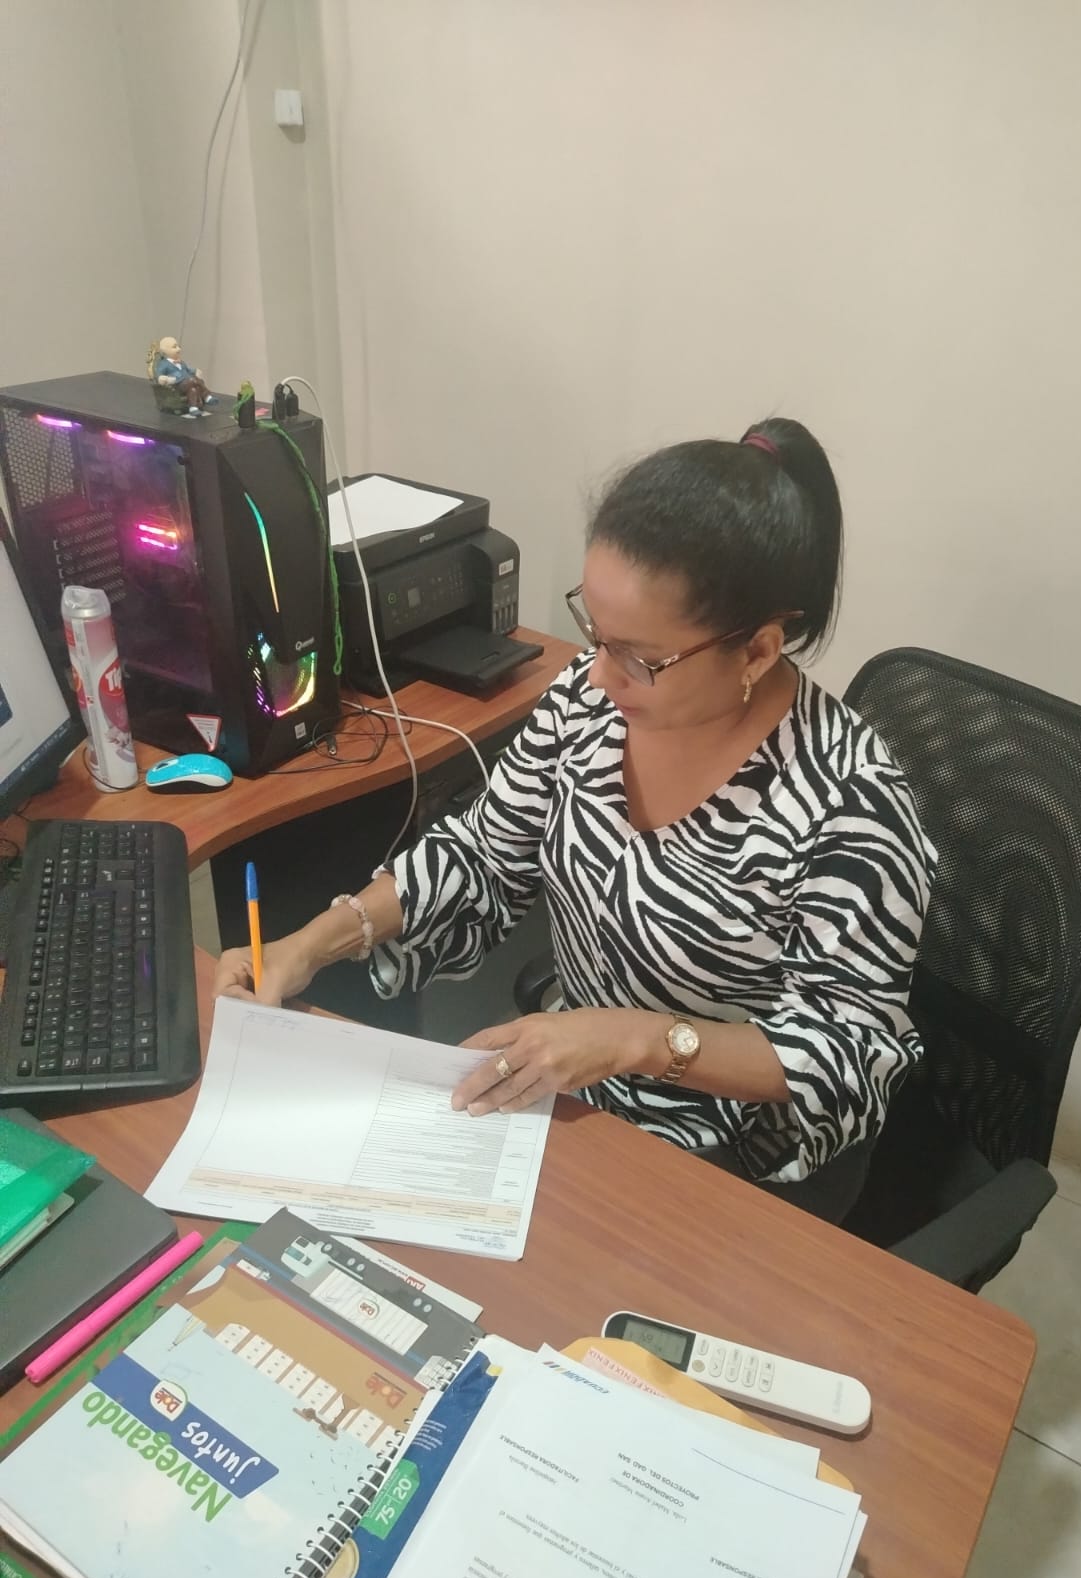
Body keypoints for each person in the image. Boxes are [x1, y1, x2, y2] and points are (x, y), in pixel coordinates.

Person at [214, 418, 935, 1223]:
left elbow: (843, 1053)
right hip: (575, 1093)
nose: (595, 674)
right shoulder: (590, 705)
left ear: (759, 652)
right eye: (594, 633)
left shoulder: (853, 804)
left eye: (638, 657)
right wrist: (312, 943)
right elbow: (483, 855)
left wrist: (634, 1039)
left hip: (725, 1153)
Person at [151, 336, 213, 416]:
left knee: (193, 388)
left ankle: (193, 408)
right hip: (177, 385)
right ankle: (207, 396)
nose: (179, 349)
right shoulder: (164, 364)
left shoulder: (181, 362)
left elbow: (187, 370)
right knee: (193, 380)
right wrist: (163, 378)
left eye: (178, 346)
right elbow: (158, 374)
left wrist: (195, 371)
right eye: (174, 347)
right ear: (165, 351)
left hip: (188, 383)